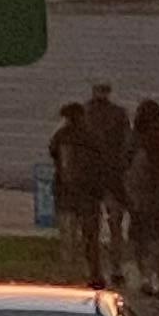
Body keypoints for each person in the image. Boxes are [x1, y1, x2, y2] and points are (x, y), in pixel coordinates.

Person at [78, 79, 133, 291]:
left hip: (95, 176)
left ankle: (97, 269)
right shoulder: (117, 114)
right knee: (114, 224)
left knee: (95, 226)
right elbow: (126, 143)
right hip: (110, 175)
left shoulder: (84, 113)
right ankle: (114, 268)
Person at [123, 96, 159, 305]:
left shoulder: (140, 139)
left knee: (144, 239)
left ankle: (146, 276)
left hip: (144, 196)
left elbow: (131, 169)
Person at [46, 99, 97, 280]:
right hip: (86, 192)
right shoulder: (90, 136)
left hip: (65, 191)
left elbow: (53, 152)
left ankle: (68, 270)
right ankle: (86, 270)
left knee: (68, 233)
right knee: (88, 235)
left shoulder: (61, 136)